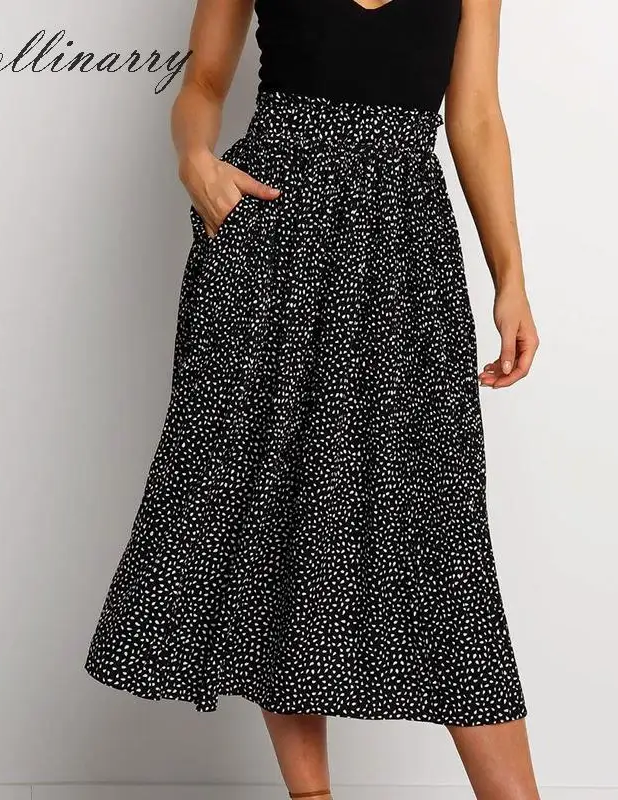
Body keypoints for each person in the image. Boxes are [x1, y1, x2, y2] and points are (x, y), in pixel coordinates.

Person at [84, 0, 541, 797]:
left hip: (404, 254)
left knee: (441, 530)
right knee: (272, 512)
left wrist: (511, 278)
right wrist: (195, 158)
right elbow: (205, 80)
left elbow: (474, 116)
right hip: (271, 243)